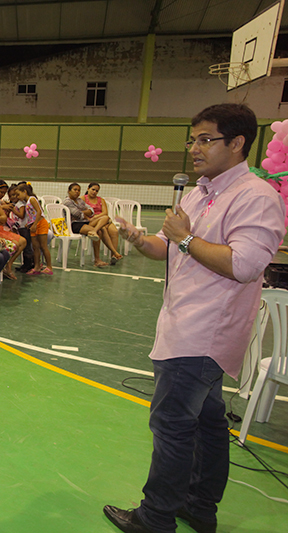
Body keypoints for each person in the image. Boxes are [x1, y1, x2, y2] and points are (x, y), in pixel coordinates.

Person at [103, 103, 286, 533]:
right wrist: (139, 237)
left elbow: (244, 264)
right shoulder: (201, 192)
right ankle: (200, 506)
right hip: (184, 323)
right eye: (192, 139)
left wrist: (184, 237)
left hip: (203, 332)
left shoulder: (256, 197)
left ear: (237, 143)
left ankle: (155, 517)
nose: (194, 149)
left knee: (172, 425)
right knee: (207, 423)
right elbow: (170, 251)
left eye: (206, 139)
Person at [62, 182, 112, 268]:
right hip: (74, 225)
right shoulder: (67, 202)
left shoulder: (79, 200)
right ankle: (97, 259)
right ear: (69, 191)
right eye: (75, 190)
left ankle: (94, 231)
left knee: (106, 218)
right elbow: (78, 214)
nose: (77, 192)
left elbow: (91, 210)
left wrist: (85, 213)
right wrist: (85, 213)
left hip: (83, 222)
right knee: (100, 231)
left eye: (79, 190)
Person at [84, 182, 124, 264]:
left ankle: (113, 256)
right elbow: (82, 213)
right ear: (88, 189)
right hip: (92, 221)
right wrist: (94, 218)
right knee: (102, 230)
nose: (94, 192)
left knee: (114, 231)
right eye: (93, 189)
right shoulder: (83, 199)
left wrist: (97, 216)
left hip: (104, 220)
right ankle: (101, 256)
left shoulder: (101, 200)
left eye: (96, 191)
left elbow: (105, 212)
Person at [16, 184, 52, 275]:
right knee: (35, 247)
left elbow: (39, 211)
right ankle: (36, 267)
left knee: (43, 246)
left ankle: (49, 266)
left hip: (40, 224)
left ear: (24, 191)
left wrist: (35, 224)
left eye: (18, 194)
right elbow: (32, 214)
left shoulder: (32, 199)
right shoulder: (27, 202)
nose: (17, 197)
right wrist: (30, 223)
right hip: (33, 225)